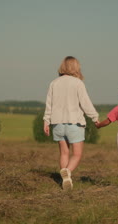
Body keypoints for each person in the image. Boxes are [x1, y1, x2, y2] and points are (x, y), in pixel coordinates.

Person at [43, 56, 99, 191]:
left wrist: (46, 121)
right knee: (77, 154)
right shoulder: (78, 83)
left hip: (57, 124)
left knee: (64, 153)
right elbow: (85, 103)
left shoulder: (54, 83)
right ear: (76, 67)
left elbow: (49, 104)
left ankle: (65, 179)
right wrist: (95, 117)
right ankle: (67, 172)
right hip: (74, 123)